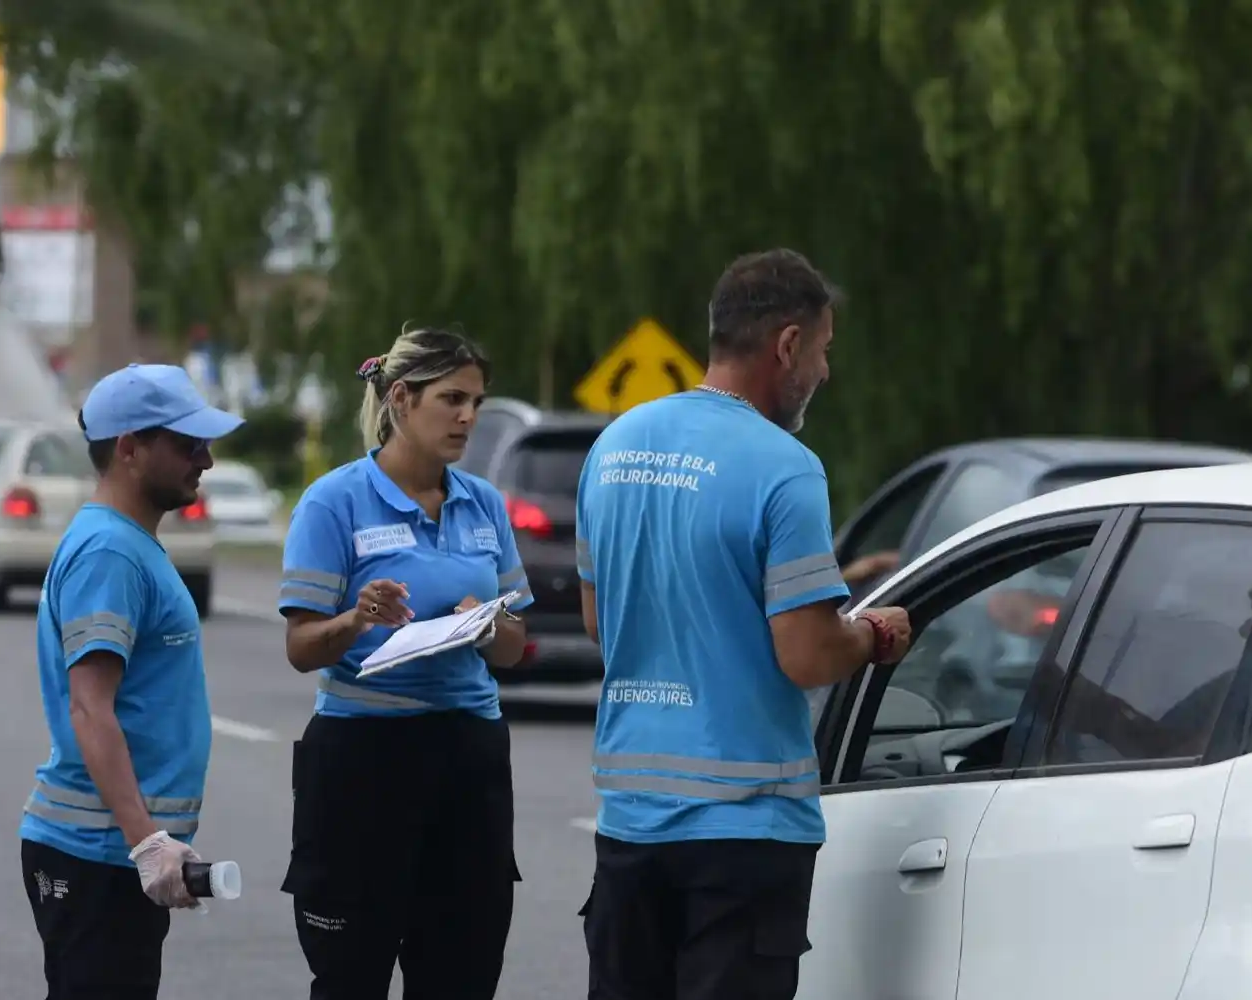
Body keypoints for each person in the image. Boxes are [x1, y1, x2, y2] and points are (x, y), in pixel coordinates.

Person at [574, 248, 914, 1000]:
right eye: (822, 351)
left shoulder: (614, 447)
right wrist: (872, 636)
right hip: (745, 835)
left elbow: (602, 621)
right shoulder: (782, 466)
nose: (823, 373)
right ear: (786, 345)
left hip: (628, 824)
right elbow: (807, 655)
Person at [277, 326, 534, 1000]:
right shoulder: (334, 501)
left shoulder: (485, 504)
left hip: (469, 755)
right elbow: (302, 647)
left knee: (463, 974)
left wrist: (487, 624)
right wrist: (356, 618)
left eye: (477, 401)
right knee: (350, 974)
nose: (468, 418)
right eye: (452, 399)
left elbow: (514, 646)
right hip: (364, 756)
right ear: (400, 398)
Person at [19, 363, 245, 1000]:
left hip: (110, 851)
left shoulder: (129, 543)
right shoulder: (111, 553)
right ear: (128, 449)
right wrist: (146, 842)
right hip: (95, 854)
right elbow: (91, 709)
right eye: (185, 443)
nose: (204, 458)